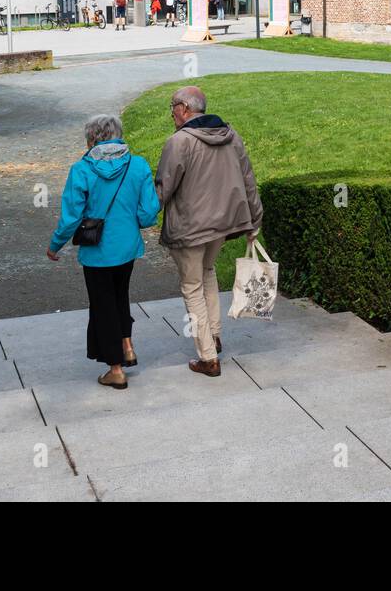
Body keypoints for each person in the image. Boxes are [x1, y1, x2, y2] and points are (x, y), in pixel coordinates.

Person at [155, 86, 262, 377]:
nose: (171, 113)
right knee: (208, 272)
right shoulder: (231, 135)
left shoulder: (179, 142)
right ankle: (213, 335)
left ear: (185, 109)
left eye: (172, 107)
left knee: (192, 286)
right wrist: (255, 219)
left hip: (190, 228)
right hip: (222, 225)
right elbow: (248, 178)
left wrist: (141, 213)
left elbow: (163, 187)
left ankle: (207, 356)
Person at [47, 114, 160, 390]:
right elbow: (148, 213)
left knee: (103, 305)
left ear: (91, 138)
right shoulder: (138, 165)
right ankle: (127, 344)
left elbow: (71, 218)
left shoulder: (81, 170)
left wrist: (55, 244)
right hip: (127, 247)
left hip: (97, 252)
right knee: (121, 296)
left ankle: (116, 368)